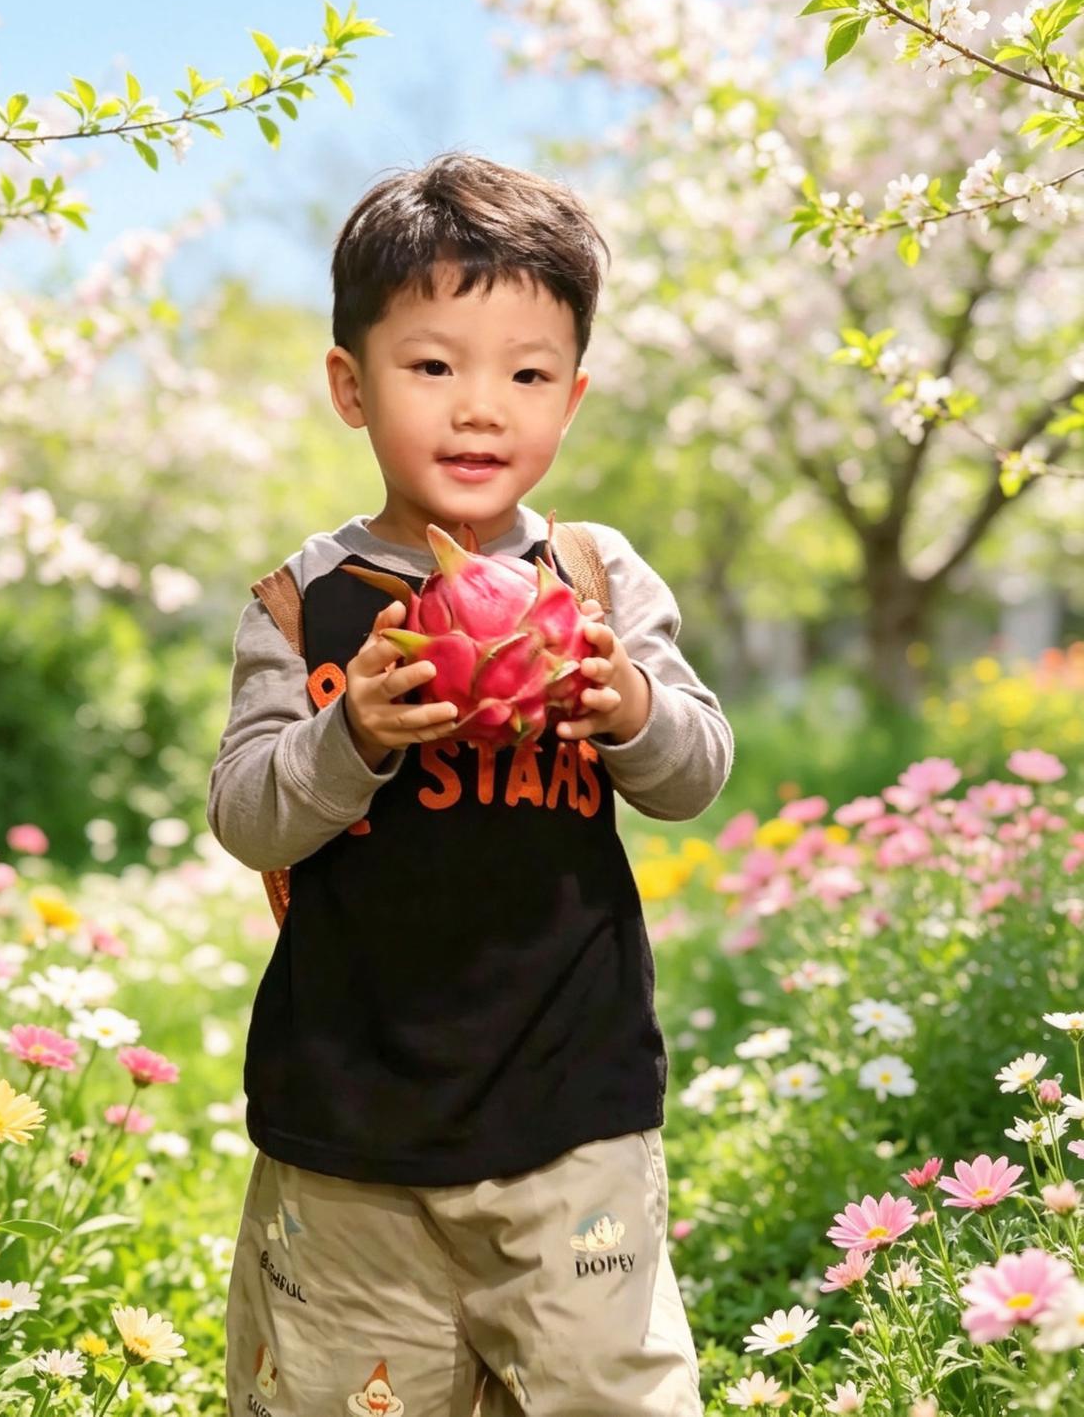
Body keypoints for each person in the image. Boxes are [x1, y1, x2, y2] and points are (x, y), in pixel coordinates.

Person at [207, 152, 734, 1417]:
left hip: (573, 1114)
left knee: (610, 1396)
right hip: (350, 1130)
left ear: (573, 397)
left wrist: (628, 706)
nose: (481, 409)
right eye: (433, 366)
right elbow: (248, 815)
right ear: (351, 385)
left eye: (526, 375)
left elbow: (693, 773)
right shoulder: (305, 604)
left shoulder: (594, 582)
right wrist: (352, 734)